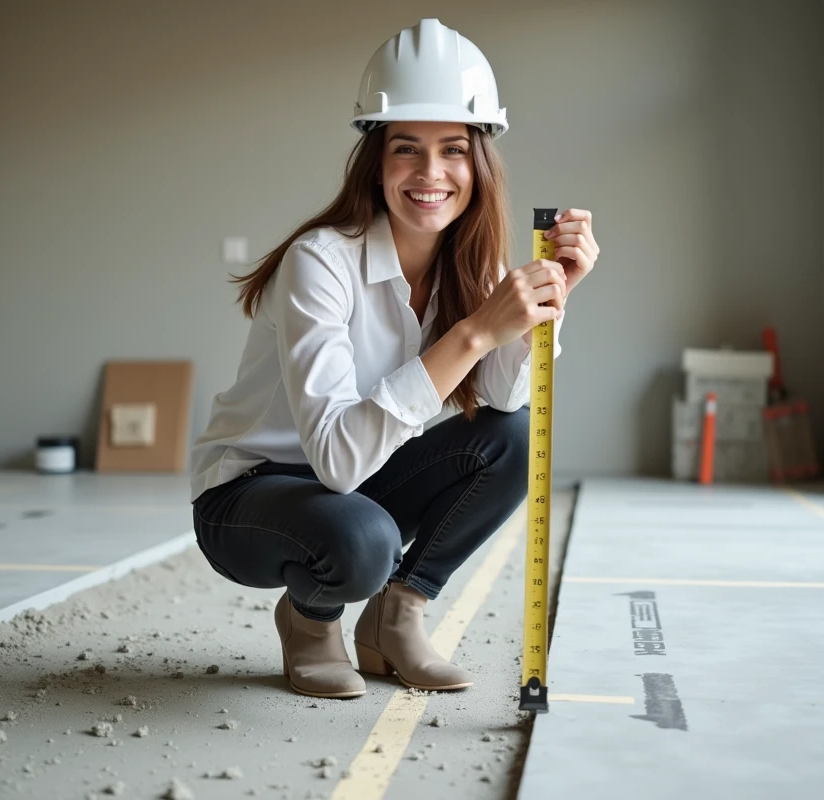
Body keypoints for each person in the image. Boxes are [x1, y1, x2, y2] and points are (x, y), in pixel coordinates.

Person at [189, 18, 599, 699]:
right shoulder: (319, 262)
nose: (431, 174)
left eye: (453, 150)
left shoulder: (472, 265)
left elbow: (501, 400)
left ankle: (396, 618)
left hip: (354, 483)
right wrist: (470, 333)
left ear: (480, 163)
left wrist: (549, 306)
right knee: (362, 540)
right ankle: (310, 619)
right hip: (250, 496)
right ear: (376, 161)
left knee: (513, 438)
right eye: (407, 149)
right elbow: (336, 461)